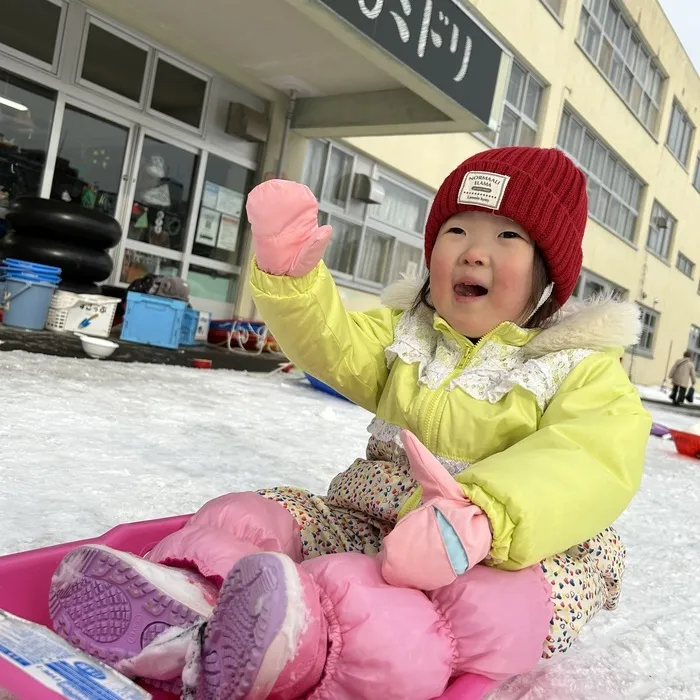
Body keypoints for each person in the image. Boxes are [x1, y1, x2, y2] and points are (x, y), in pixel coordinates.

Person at [48, 147, 651, 700]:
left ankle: (295, 647)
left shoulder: (575, 366)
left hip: (498, 552)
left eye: (508, 236)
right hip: (376, 515)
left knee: (421, 613)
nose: (473, 250)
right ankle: (189, 604)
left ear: (549, 275)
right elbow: (334, 344)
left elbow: (589, 456)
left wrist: (480, 518)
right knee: (246, 516)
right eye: (456, 230)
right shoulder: (408, 337)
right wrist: (292, 282)